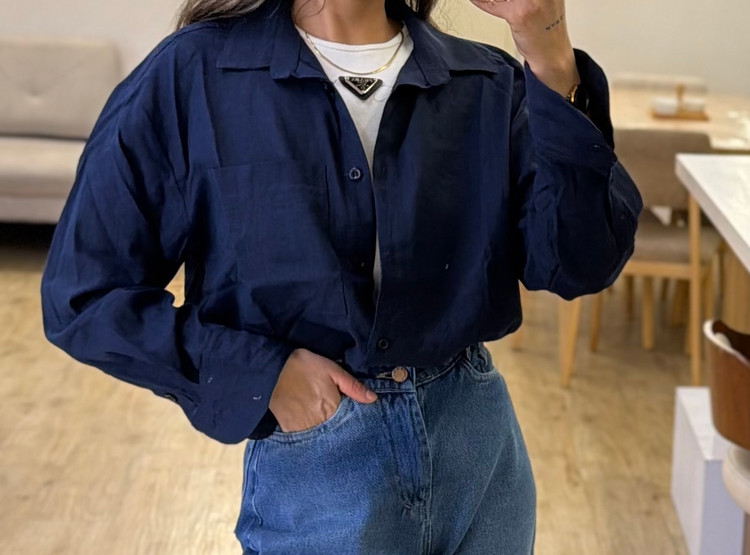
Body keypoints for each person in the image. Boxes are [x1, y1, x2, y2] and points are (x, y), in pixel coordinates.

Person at [40, 0, 642, 551]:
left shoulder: (487, 81)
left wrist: (548, 51)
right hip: (320, 463)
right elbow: (84, 295)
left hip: (478, 451)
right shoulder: (193, 74)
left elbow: (577, 263)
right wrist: (263, 376)